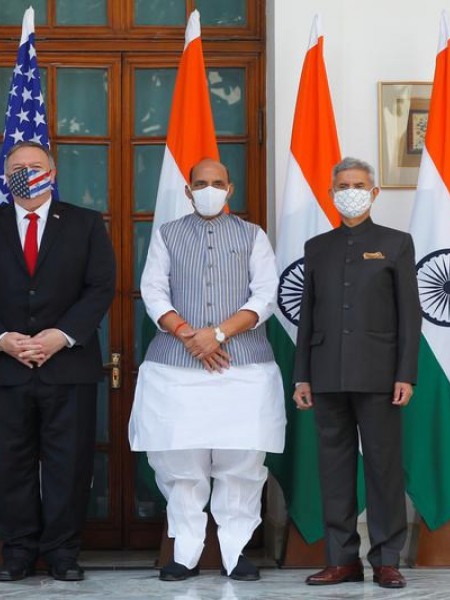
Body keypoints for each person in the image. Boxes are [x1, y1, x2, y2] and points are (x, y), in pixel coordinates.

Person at [0, 141, 115, 582]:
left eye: (35, 166)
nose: (26, 173)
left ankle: (63, 553)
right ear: (6, 177)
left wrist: (59, 337)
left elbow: (100, 287)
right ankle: (19, 552)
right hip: (7, 367)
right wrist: (2, 339)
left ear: (53, 171)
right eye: (17, 168)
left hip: (69, 365)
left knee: (69, 463)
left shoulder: (84, 224)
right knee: (11, 463)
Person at [129, 158, 286, 582]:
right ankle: (185, 553)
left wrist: (216, 334)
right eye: (201, 183)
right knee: (181, 462)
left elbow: (266, 294)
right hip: (177, 369)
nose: (209, 189)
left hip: (243, 367)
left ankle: (236, 554)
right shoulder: (168, 234)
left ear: (230, 189)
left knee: (241, 462)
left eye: (218, 183)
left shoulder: (253, 236)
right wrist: (189, 335)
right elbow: (154, 290)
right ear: (188, 190)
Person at [292, 157, 421, 589]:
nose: (351, 190)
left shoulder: (396, 243)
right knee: (334, 469)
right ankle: (341, 559)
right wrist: (301, 376)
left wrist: (406, 373)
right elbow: (306, 318)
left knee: (384, 468)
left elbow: (410, 316)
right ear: (331, 193)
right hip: (326, 374)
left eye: (359, 184)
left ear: (374, 191)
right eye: (343, 185)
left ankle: (387, 559)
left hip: (381, 375)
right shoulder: (317, 247)